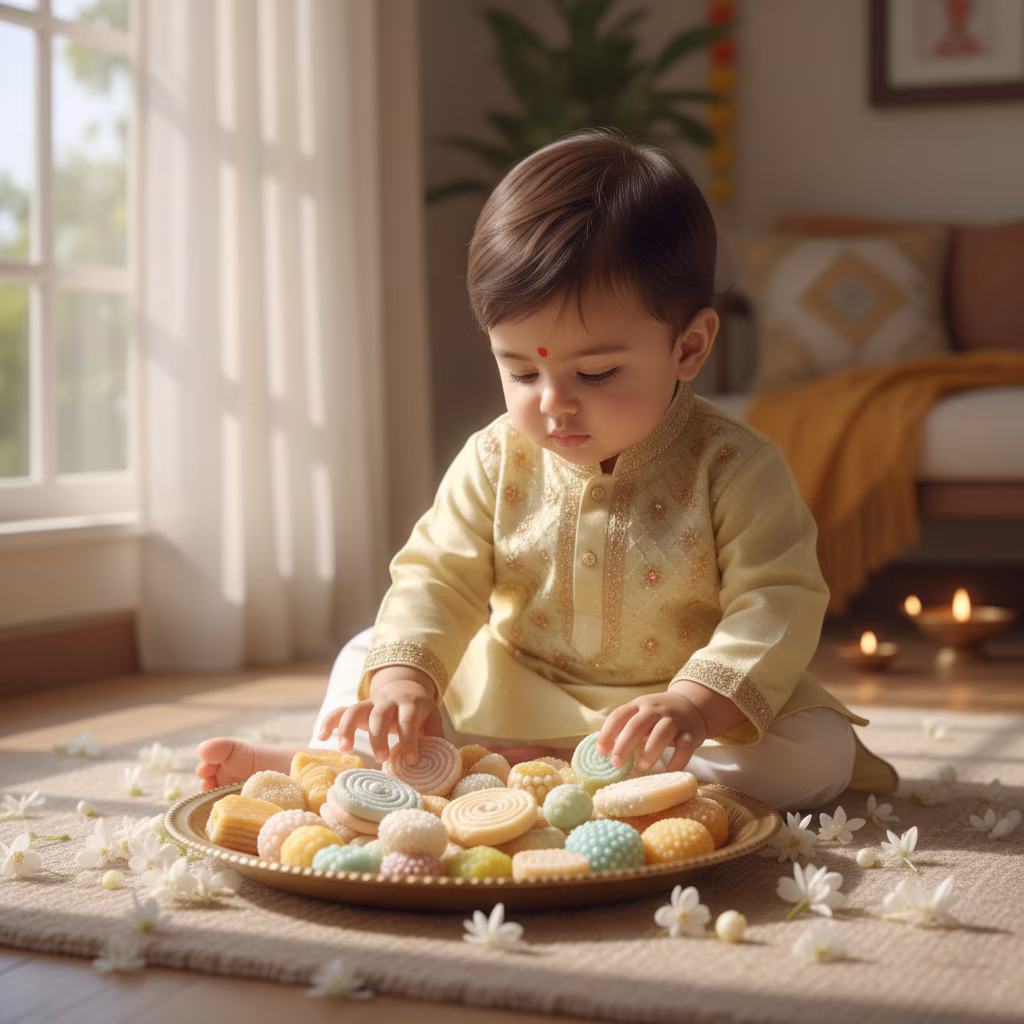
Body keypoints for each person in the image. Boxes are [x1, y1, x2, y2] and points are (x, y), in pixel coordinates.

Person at [198, 130, 896, 811]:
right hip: (518, 687)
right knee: (369, 659)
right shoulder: (495, 457)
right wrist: (404, 681)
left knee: (815, 751)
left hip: (676, 710)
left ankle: (491, 770)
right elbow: (437, 578)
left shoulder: (736, 467)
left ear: (689, 347)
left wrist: (692, 704)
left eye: (596, 371)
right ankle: (342, 763)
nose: (554, 403)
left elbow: (777, 601)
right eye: (521, 370)